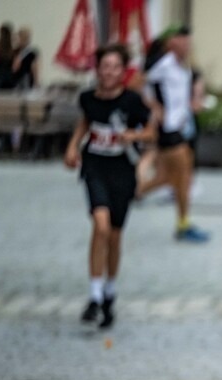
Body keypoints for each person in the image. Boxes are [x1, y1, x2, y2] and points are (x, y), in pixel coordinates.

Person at [64, 44, 154, 329]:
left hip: (122, 171)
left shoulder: (132, 101)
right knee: (100, 225)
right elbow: (85, 122)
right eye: (105, 66)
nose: (109, 72)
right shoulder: (88, 98)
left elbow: (151, 131)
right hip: (95, 168)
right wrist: (72, 147)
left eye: (115, 67)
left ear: (123, 71)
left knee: (114, 235)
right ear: (98, 69)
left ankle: (109, 291)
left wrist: (133, 135)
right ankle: (94, 294)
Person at [137, 25, 209, 243]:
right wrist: (154, 107)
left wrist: (193, 104)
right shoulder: (164, 64)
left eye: (189, 42)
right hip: (168, 129)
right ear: (171, 43)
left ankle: (133, 193)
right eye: (183, 41)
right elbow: (138, 84)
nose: (187, 46)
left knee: (168, 177)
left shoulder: (183, 66)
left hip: (182, 126)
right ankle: (183, 224)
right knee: (181, 177)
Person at [12, 27, 39, 91]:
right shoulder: (15, 52)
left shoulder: (31, 53)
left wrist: (36, 83)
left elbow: (35, 69)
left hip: (26, 80)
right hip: (16, 80)